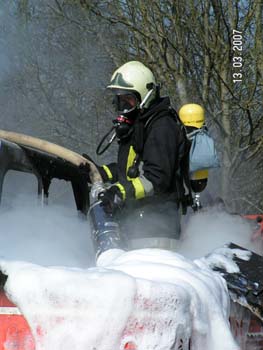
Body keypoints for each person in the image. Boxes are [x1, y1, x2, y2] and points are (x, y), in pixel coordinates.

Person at [94, 61, 190, 250]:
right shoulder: (140, 124)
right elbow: (131, 169)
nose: (121, 106)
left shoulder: (162, 127)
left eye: (127, 100)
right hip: (137, 227)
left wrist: (119, 192)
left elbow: (156, 179)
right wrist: (100, 172)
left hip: (156, 232)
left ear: (145, 97)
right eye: (118, 100)